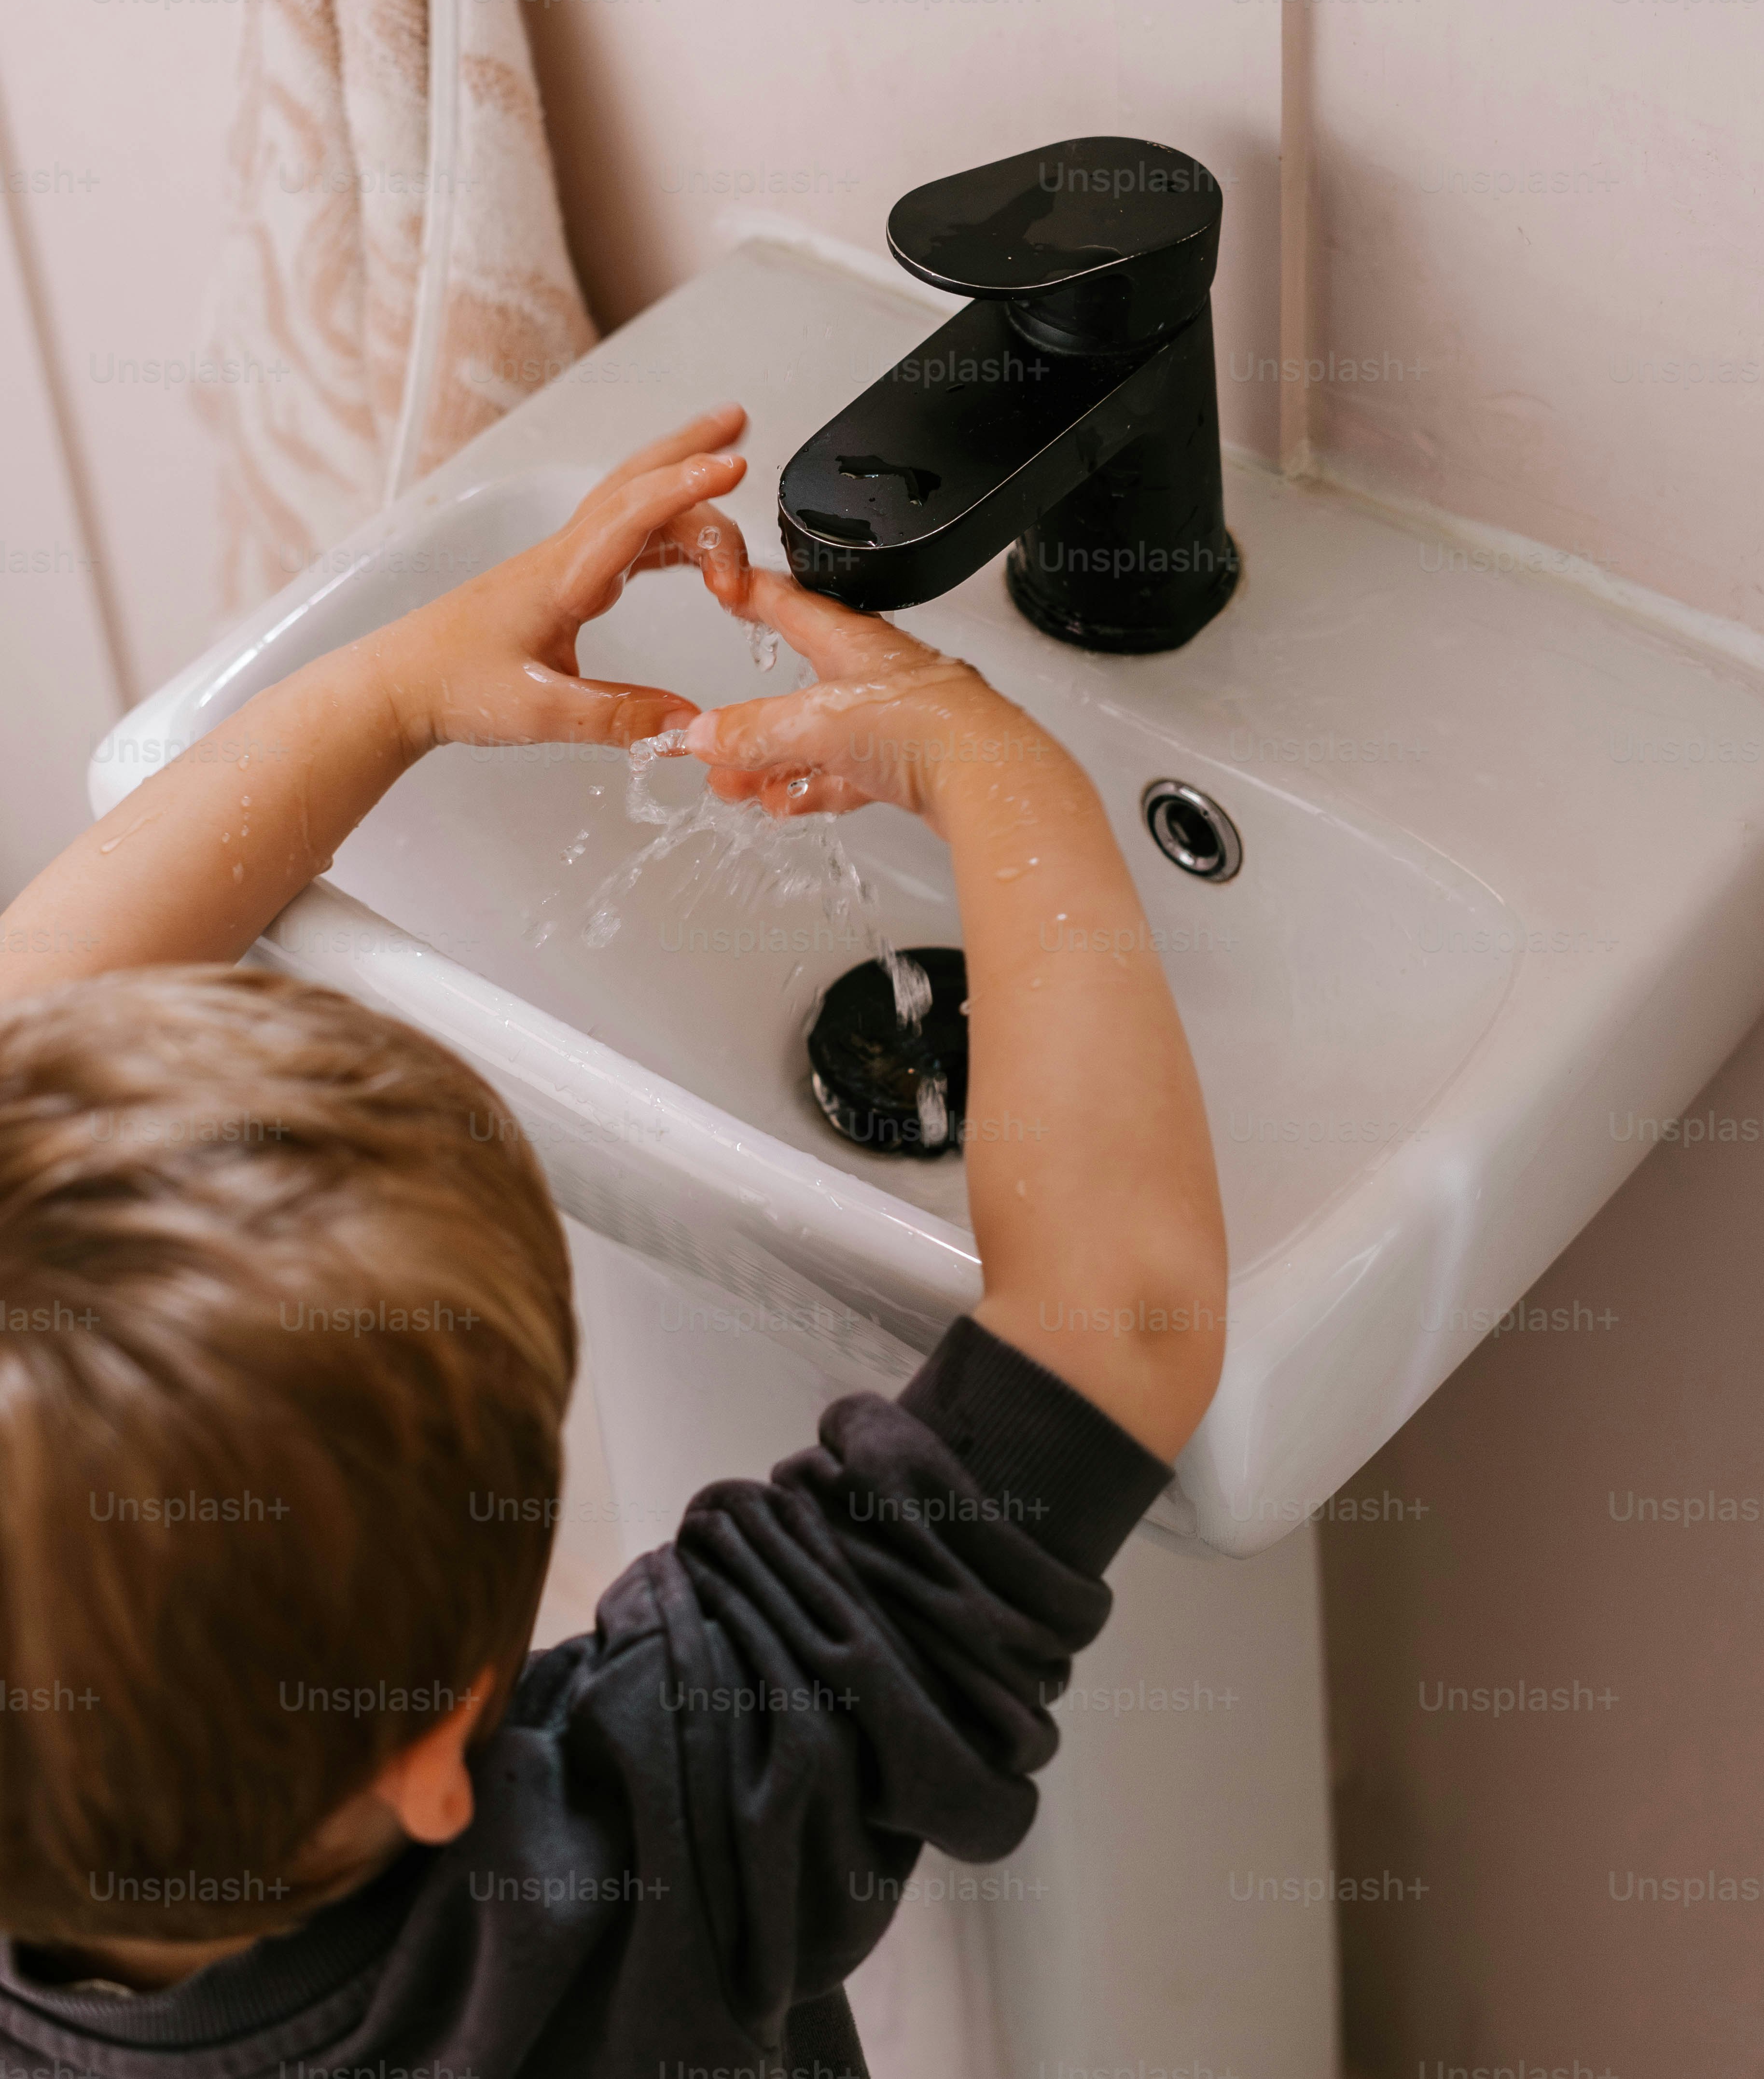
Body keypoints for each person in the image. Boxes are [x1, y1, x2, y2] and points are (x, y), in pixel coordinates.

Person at [0, 406, 1226, 2078]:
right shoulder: (639, 1851)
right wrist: (991, 767)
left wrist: (395, 690)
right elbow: (1117, 1311)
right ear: (443, 1755)